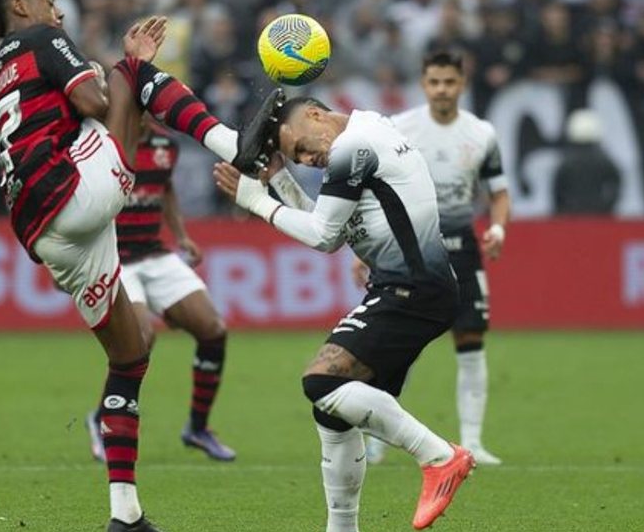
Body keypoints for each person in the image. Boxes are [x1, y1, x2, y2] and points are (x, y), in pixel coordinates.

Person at [0, 0, 270, 529]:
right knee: (132, 73)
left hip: (44, 231)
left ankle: (126, 515)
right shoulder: (44, 37)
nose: (56, 6)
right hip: (74, 193)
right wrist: (119, 66)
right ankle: (235, 146)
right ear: (20, 5)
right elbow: (96, 103)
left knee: (130, 356)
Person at [214, 92, 476, 532]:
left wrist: (255, 201)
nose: (306, 159)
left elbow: (320, 236)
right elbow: (333, 233)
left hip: (411, 287)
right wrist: (280, 182)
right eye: (295, 158)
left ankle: (440, 457)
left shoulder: (354, 146)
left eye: (300, 147)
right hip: (414, 287)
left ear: (316, 115)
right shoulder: (369, 130)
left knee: (322, 381)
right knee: (333, 411)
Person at [355, 50, 510, 466]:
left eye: (450, 82)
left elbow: (497, 192)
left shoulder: (481, 134)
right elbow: (373, 189)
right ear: (424, 85)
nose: (442, 90)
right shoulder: (402, 129)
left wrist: (498, 227)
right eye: (434, 82)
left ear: (462, 84)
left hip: (461, 245)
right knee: (392, 343)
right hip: (406, 247)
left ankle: (473, 441)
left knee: (471, 340)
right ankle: (378, 441)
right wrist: (365, 245)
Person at [84, 118, 235, 464]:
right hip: (116, 259)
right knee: (140, 340)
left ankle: (197, 427)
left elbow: (165, 189)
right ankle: (102, 418)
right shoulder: (105, 142)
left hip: (155, 254)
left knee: (213, 330)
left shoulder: (166, 146)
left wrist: (181, 235)